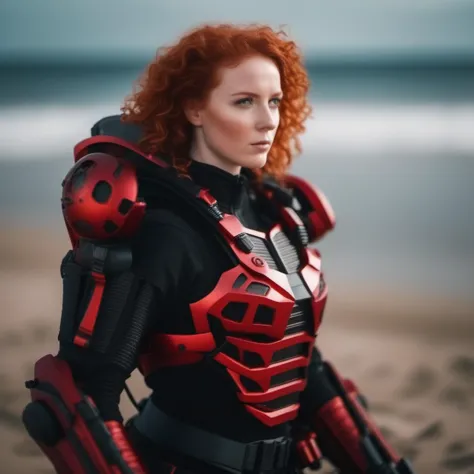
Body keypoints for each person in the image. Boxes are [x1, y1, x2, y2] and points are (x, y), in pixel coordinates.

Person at [22, 24, 415, 474]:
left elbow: (297, 358)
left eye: (274, 101)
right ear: (193, 108)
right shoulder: (164, 233)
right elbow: (84, 390)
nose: (267, 120)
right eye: (244, 102)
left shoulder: (273, 212)